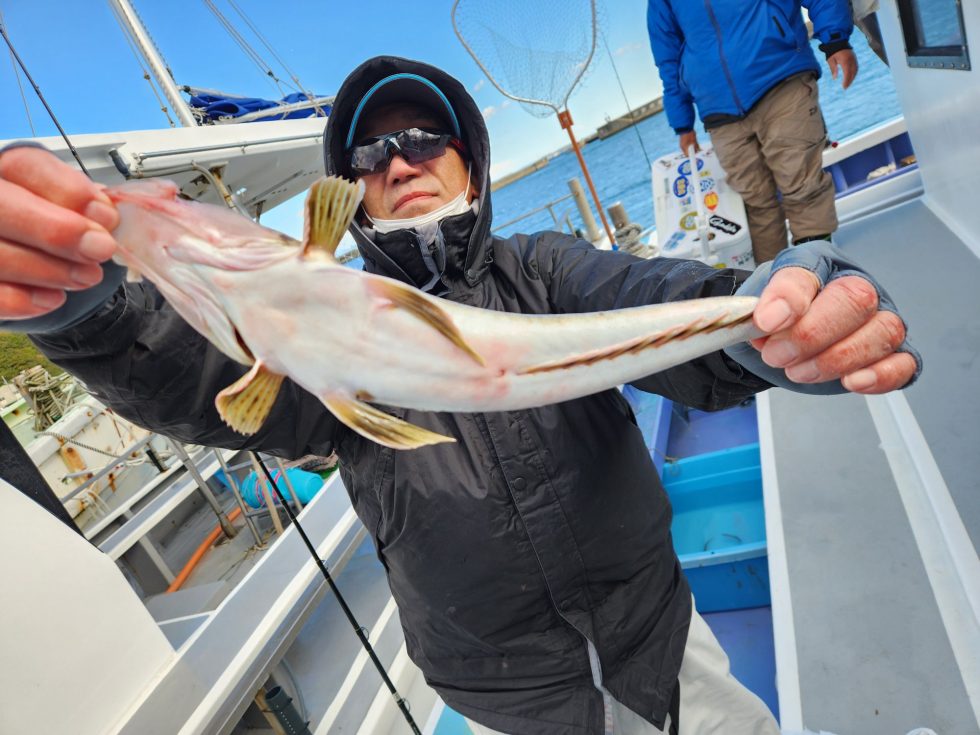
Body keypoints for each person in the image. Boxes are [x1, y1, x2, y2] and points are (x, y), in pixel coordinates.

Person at [0, 56, 918, 734]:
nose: (399, 162)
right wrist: (82, 307)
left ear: (470, 163)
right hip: (501, 700)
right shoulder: (311, 341)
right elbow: (187, 373)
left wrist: (776, 312)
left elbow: (649, 306)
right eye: (371, 152)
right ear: (347, 198)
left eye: (422, 138)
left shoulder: (544, 269)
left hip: (661, 648)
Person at [647, 0, 859, 265]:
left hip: (781, 79)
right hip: (718, 111)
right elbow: (667, 57)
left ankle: (815, 269)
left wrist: (836, 40)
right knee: (756, 205)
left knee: (802, 188)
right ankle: (774, 280)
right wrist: (683, 124)